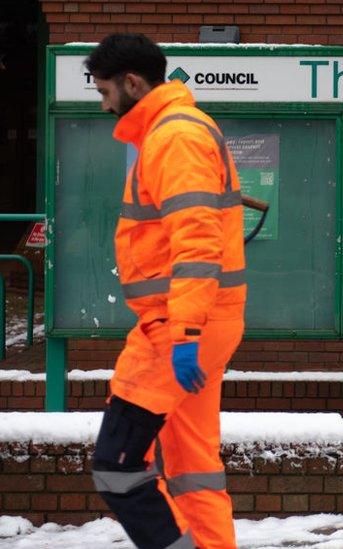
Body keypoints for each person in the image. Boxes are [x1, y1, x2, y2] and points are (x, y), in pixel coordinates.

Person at [86, 33, 246, 549]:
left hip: (176, 330)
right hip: (189, 325)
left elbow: (197, 244)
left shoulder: (173, 136)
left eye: (106, 90)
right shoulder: (171, 130)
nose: (105, 102)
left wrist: (185, 332)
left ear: (133, 82)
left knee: (117, 466)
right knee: (193, 471)